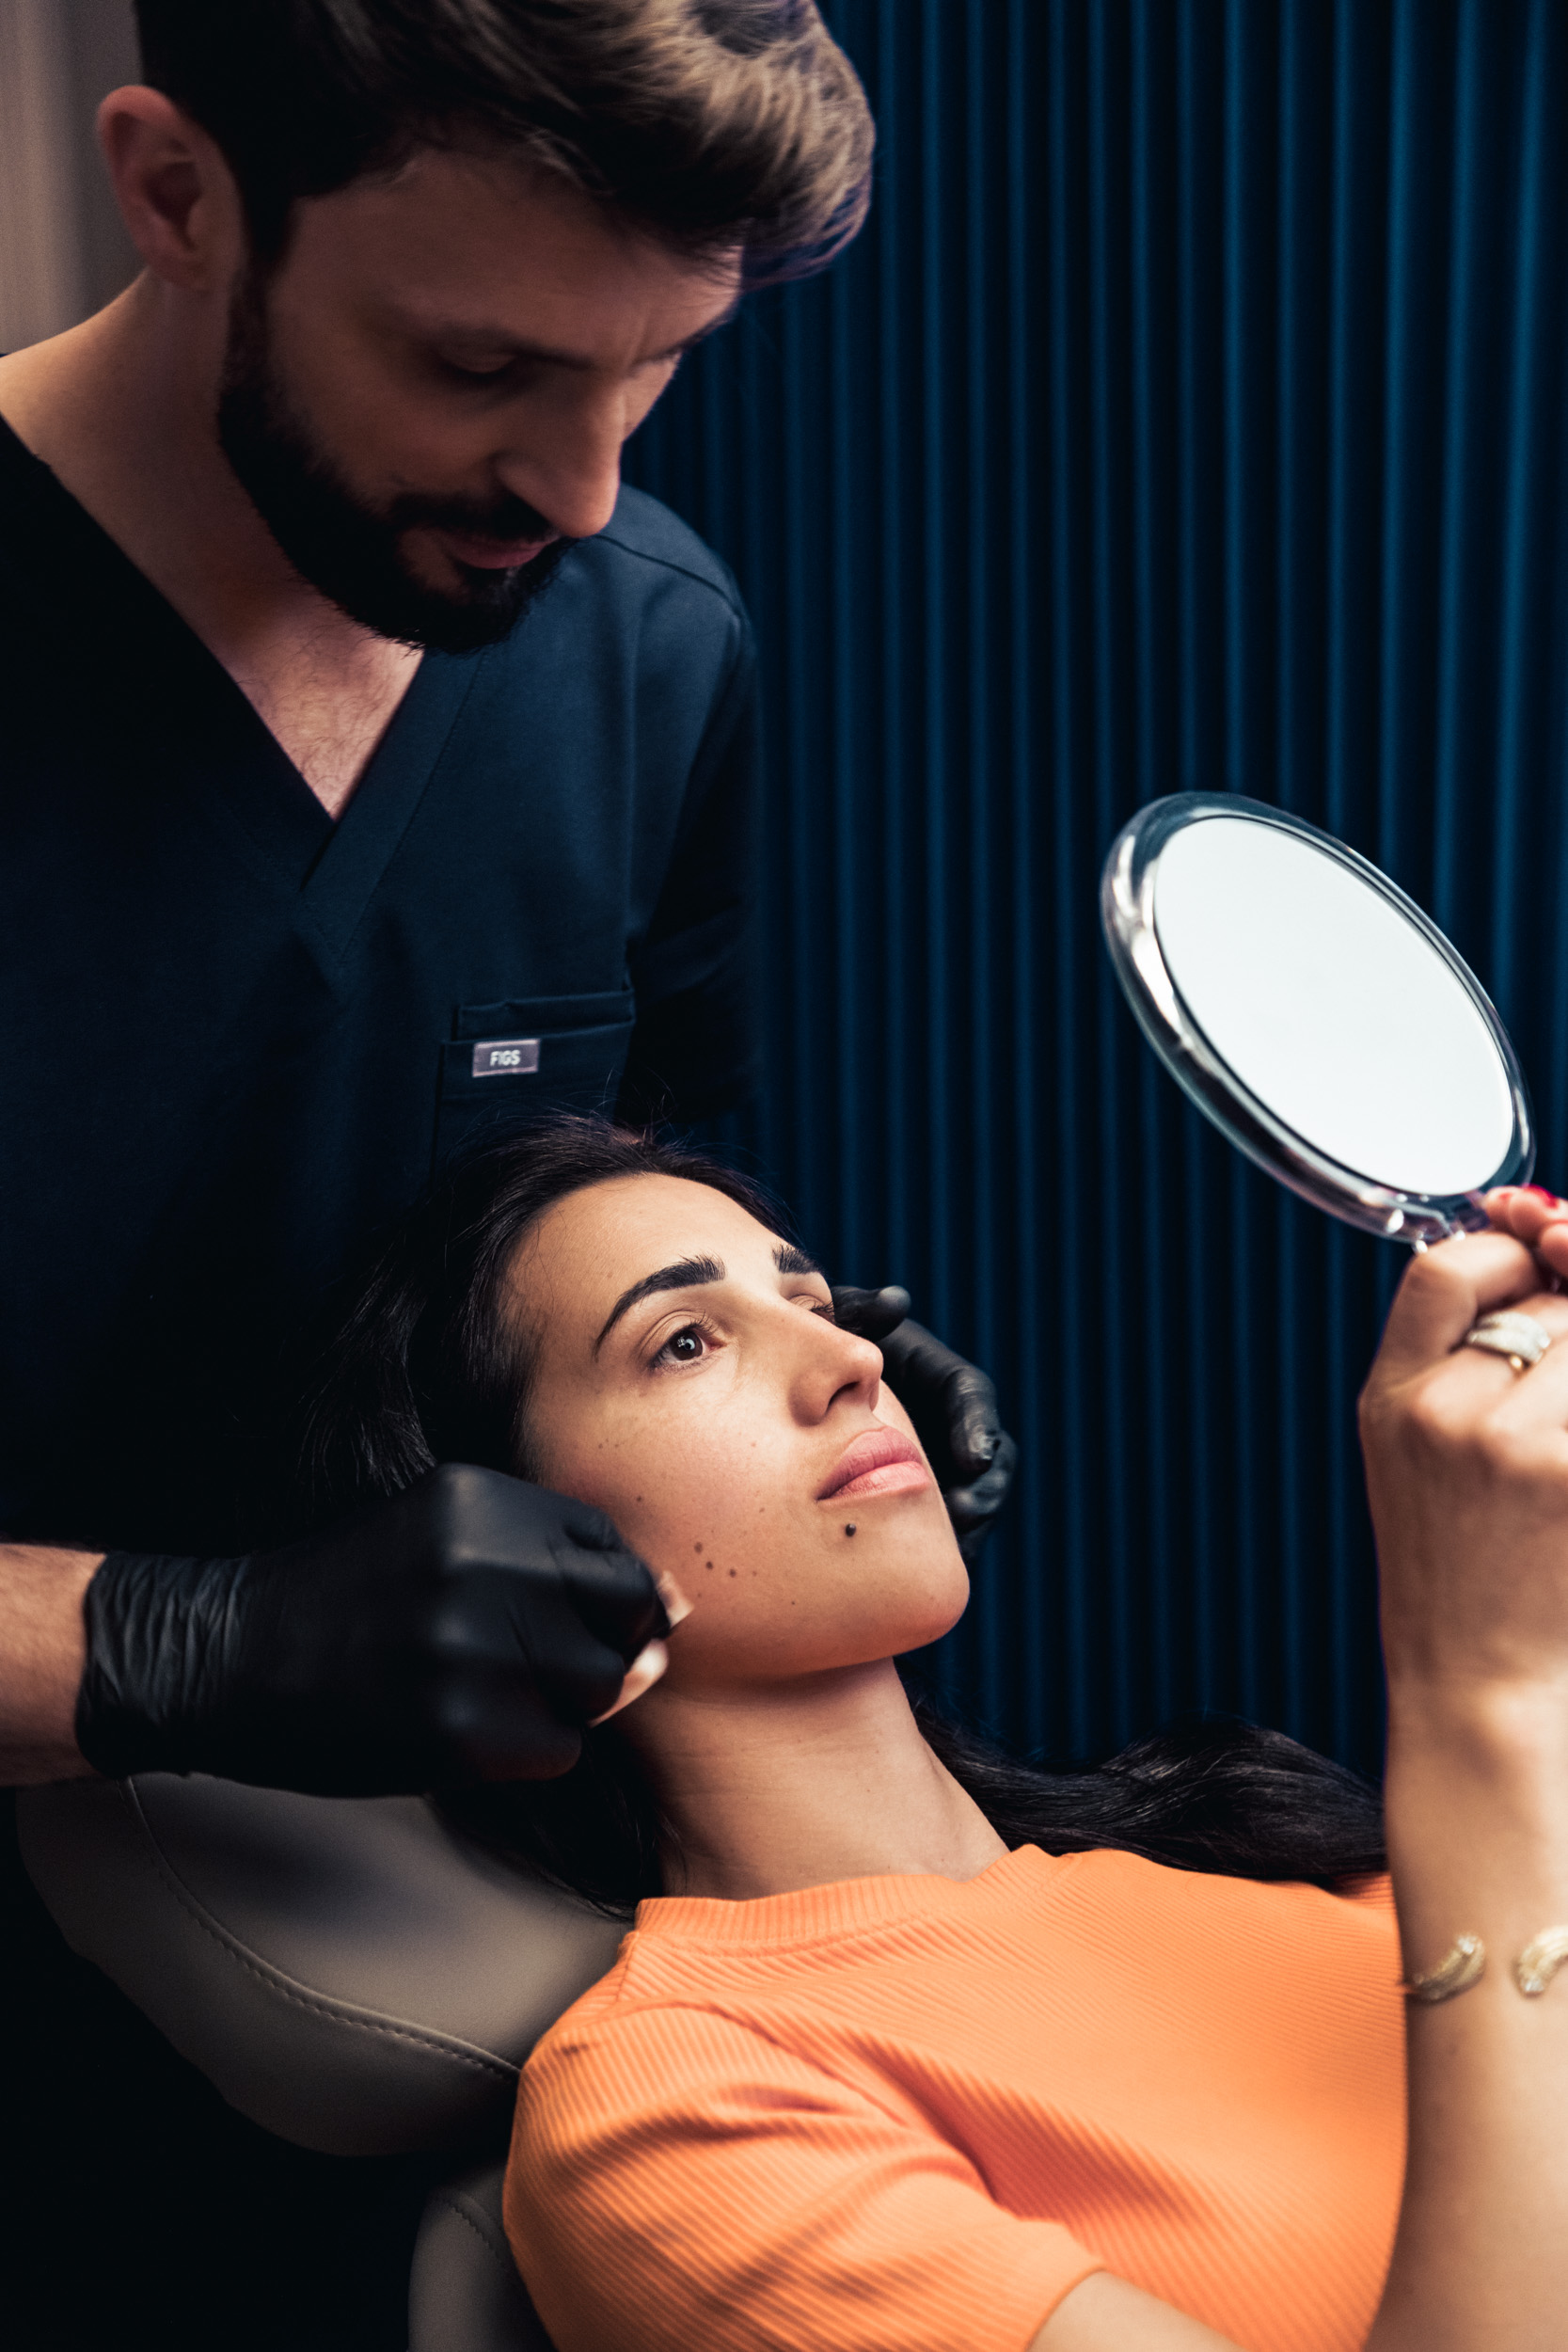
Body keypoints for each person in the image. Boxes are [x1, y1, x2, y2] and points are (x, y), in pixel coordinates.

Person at [0, 8, 1011, 2344]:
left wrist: (788, 1336)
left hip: (435, 1932)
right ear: (173, 193)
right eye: (478, 366)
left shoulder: (643, 647)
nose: (575, 485)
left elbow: (602, 1165)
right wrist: (181, 1640)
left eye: (649, 371)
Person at [298, 1125, 1568, 2352]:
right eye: (685, 1342)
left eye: (812, 1300)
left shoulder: (1255, 1845)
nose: (852, 1361)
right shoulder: (676, 2110)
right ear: (498, 1556)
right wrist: (1482, 1691)